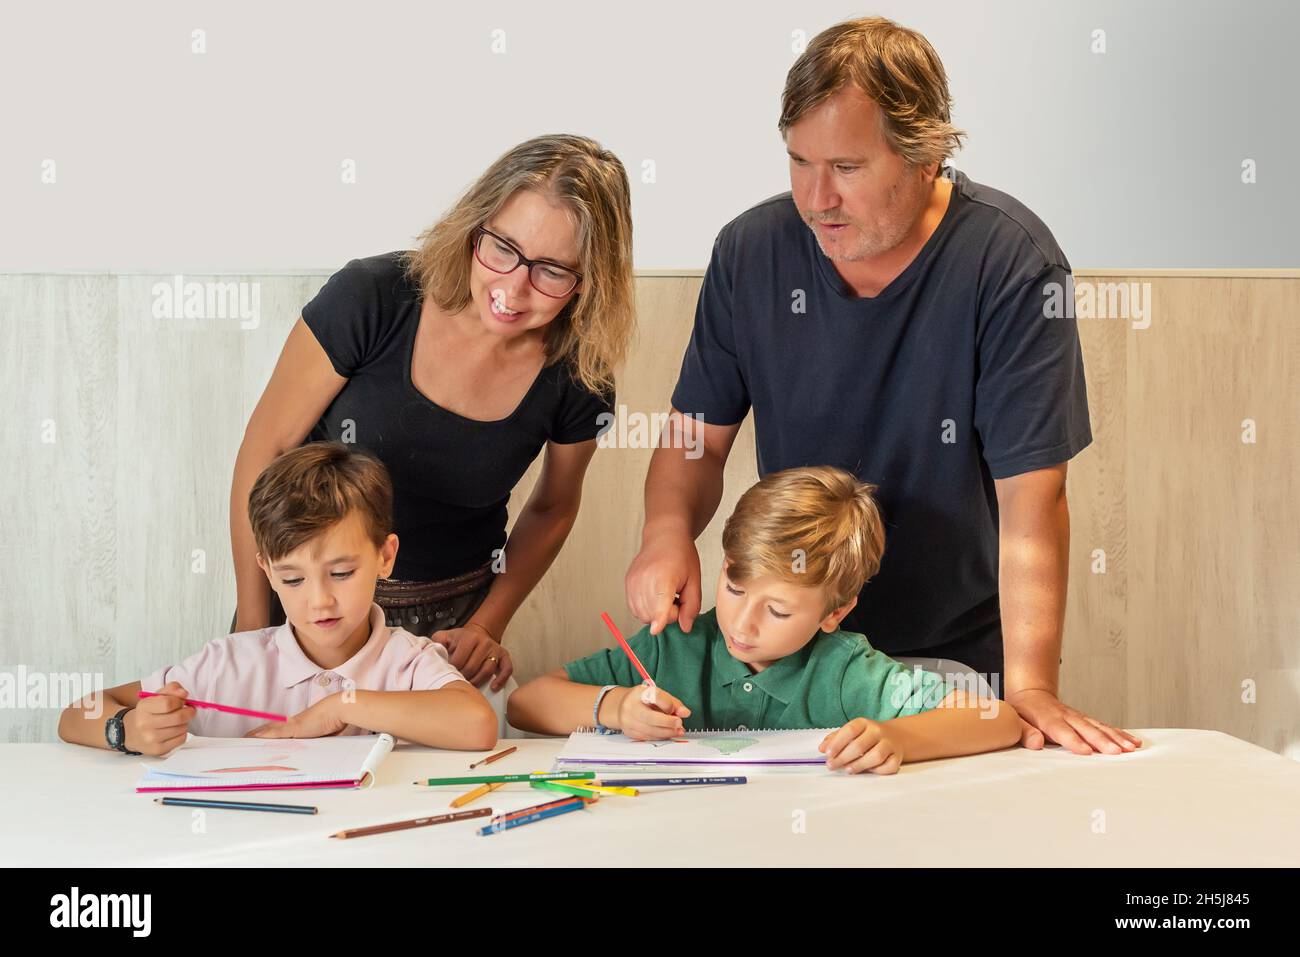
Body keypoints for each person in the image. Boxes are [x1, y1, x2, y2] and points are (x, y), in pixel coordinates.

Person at [624, 17, 1140, 756]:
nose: (816, 197)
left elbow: (1034, 499)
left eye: (847, 167)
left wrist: (1029, 687)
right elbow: (694, 441)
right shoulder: (751, 251)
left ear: (926, 154)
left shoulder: (1010, 264)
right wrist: (666, 531)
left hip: (951, 663)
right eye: (799, 162)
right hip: (795, 652)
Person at [230, 134, 635, 692]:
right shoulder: (372, 298)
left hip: (446, 631)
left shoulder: (579, 376)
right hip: (305, 607)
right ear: (474, 228)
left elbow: (553, 508)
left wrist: (486, 626)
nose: (513, 288)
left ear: (590, 281)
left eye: (552, 270)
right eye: (502, 249)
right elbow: (265, 452)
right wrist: (253, 635)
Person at [510, 466, 1022, 774]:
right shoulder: (674, 646)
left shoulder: (845, 672)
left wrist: (899, 739)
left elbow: (998, 718)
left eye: (777, 610)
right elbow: (525, 704)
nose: (742, 624)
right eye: (733, 586)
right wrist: (617, 707)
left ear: (835, 613)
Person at [60, 443, 498, 755]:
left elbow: (477, 725)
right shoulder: (230, 664)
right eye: (292, 580)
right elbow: (76, 713)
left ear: (385, 557)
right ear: (267, 572)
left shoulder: (409, 660)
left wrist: (339, 706)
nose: (320, 601)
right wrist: (126, 731)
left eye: (341, 573)